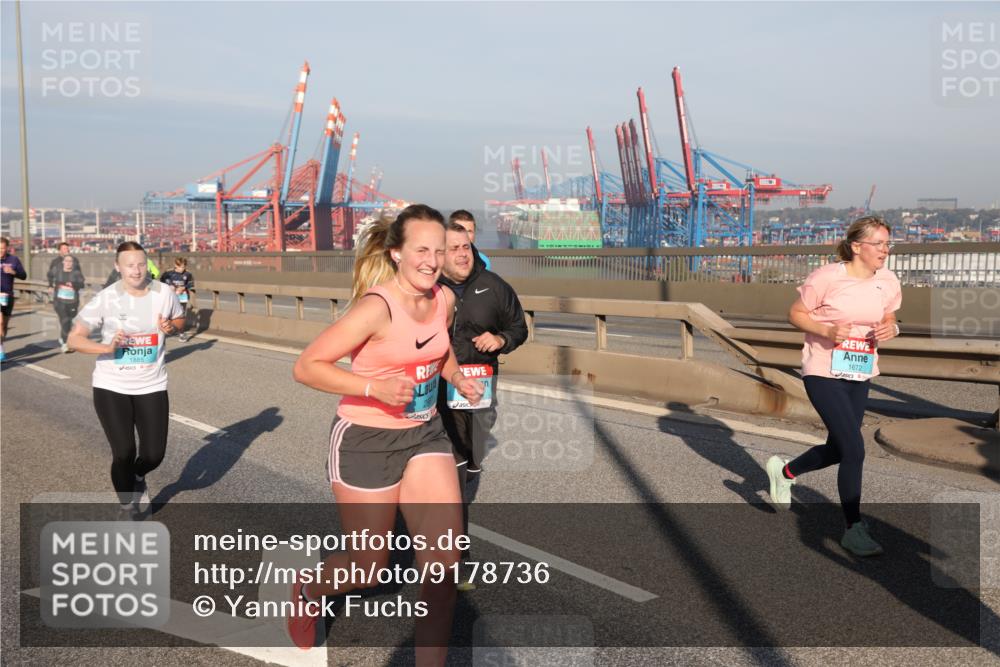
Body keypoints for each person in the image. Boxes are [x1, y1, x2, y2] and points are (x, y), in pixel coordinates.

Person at [290, 204, 483, 660]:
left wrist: (456, 377)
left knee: (442, 567)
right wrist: (372, 387)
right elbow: (307, 367)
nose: (432, 261)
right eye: (422, 250)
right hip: (366, 440)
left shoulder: (444, 300)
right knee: (367, 569)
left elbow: (437, 352)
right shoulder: (376, 308)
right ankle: (309, 590)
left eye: (440, 251)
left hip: (424, 434)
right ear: (397, 253)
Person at [766, 216, 901, 556]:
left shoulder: (887, 280)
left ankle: (785, 472)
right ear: (856, 246)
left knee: (841, 448)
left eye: (888, 244)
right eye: (878, 244)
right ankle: (853, 528)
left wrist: (892, 328)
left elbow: (889, 315)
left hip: (860, 371)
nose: (885, 250)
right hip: (823, 370)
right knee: (855, 449)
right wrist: (827, 331)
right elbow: (795, 313)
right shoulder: (827, 277)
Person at [437, 222, 527, 589]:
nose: (463, 254)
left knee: (471, 458)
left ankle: (470, 464)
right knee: (452, 477)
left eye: (466, 247)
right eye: (454, 248)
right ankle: (457, 558)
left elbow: (519, 327)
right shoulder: (428, 288)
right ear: (439, 254)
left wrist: (501, 339)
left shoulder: (493, 286)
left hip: (479, 395)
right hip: (439, 395)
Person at [68, 241, 185, 519]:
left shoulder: (164, 293)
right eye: (130, 265)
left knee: (154, 455)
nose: (136, 270)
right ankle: (127, 507)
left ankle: (138, 476)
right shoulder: (106, 298)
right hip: (111, 386)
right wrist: (106, 348)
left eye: (141, 264)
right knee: (123, 452)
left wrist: (171, 327)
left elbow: (180, 319)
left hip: (152, 384)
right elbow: (74, 339)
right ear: (118, 267)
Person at [51, 254, 86, 353]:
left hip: (72, 302)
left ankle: (63, 337)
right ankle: (65, 344)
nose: (68, 263)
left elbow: (82, 285)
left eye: (70, 261)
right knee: (65, 321)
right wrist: (50, 285)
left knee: (69, 322)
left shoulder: (77, 273)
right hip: (59, 302)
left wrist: (73, 284)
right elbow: (50, 278)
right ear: (63, 262)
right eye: (66, 261)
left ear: (73, 263)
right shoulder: (58, 272)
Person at [0, 237, 27, 363]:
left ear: (7, 248)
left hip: (8, 296)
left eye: (3, 248)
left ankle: (0, 345)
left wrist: (13, 272)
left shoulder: (13, 260)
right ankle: (0, 351)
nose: (1, 251)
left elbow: (24, 276)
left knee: (4, 325)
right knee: (0, 322)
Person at [160, 257, 195, 342]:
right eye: (180, 267)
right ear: (176, 265)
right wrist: (169, 286)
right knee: (168, 314)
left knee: (181, 315)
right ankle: (165, 330)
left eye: (184, 267)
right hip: (170, 297)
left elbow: (191, 284)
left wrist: (184, 287)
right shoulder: (168, 273)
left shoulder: (188, 274)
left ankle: (181, 334)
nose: (182, 269)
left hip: (182, 297)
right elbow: (161, 281)